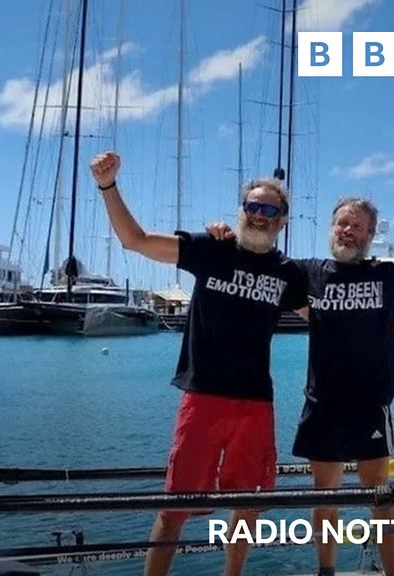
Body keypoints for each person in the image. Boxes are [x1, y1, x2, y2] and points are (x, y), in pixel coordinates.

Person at [208, 198, 394, 576]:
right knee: (325, 496)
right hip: (322, 405)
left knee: (380, 496)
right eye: (342, 223)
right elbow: (260, 263)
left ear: (370, 235)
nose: (347, 231)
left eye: (357, 226)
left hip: (370, 406)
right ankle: (326, 571)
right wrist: (228, 239)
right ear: (331, 228)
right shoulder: (309, 272)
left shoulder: (387, 274)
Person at [90, 150, 309, 576]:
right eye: (253, 207)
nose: (259, 216)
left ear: (282, 220)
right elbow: (135, 240)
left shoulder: (288, 273)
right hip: (202, 397)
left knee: (248, 505)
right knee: (175, 506)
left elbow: (324, 319)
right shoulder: (212, 249)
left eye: (269, 210)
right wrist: (108, 186)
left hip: (255, 403)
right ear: (241, 210)